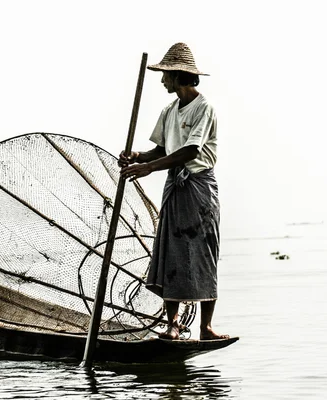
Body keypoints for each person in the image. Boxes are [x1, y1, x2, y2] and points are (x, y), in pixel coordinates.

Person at [119, 43, 228, 341]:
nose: (162, 80)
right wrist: (138, 157)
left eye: (165, 75)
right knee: (172, 252)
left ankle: (205, 328)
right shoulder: (169, 110)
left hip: (198, 187)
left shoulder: (204, 108)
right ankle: (173, 325)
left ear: (179, 76)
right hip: (175, 187)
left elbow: (191, 150)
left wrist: (150, 169)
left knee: (204, 251)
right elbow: (162, 149)